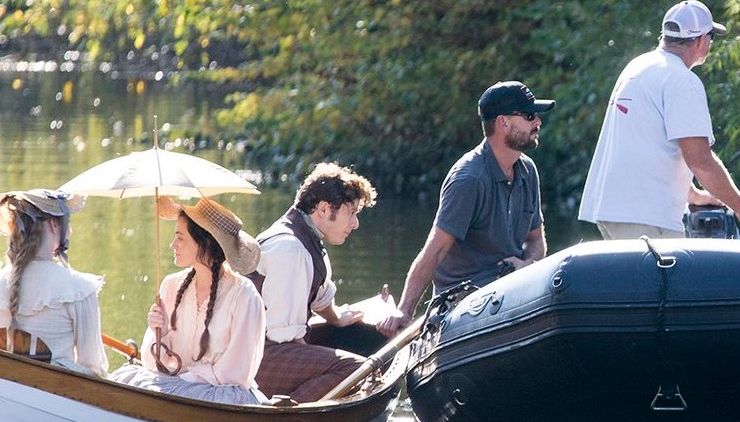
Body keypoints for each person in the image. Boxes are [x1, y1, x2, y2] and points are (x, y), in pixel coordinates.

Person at [578, 0, 740, 242]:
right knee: (671, 281)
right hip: (648, 216)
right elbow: (700, 161)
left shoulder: (638, 66)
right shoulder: (682, 81)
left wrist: (692, 195)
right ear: (700, 41)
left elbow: (652, 144)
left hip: (614, 210)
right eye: (711, 37)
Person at [376, 81, 552, 336]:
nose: (537, 122)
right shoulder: (468, 179)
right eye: (528, 116)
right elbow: (434, 252)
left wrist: (527, 266)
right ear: (503, 122)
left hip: (512, 293)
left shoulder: (528, 171)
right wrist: (405, 310)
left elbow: (536, 241)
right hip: (464, 306)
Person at [110, 197, 266, 405]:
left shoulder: (244, 296)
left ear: (205, 242)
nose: (172, 244)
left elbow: (235, 373)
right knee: (124, 378)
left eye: (180, 237)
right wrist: (161, 331)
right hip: (174, 386)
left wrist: (183, 381)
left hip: (221, 395)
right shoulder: (171, 285)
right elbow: (152, 364)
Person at [250, 163, 377, 403]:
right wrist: (315, 356)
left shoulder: (305, 237)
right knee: (356, 370)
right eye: (351, 212)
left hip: (263, 350)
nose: (355, 223)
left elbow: (321, 296)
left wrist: (336, 319)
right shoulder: (291, 248)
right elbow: (282, 334)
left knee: (336, 348)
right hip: (254, 357)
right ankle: (282, 418)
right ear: (323, 209)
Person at [0, 189, 108, 376]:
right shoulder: (80, 288)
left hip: (6, 380)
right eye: (67, 222)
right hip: (59, 391)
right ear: (54, 225)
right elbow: (92, 366)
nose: (70, 230)